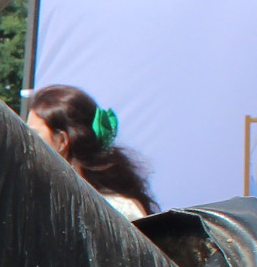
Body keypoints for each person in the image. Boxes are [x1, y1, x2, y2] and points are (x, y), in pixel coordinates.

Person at [26, 84, 158, 218]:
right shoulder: (30, 200)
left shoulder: (119, 210)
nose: (26, 142)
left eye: (33, 134)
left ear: (62, 141)